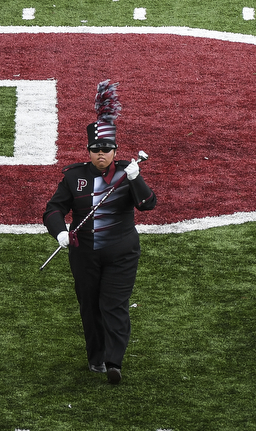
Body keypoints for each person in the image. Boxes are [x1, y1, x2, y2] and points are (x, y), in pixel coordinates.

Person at [42, 81, 155, 385]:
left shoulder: (126, 173)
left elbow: (147, 205)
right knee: (90, 306)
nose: (101, 154)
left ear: (115, 150)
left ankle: (113, 360)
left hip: (122, 252)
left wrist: (137, 180)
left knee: (113, 305)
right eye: (95, 149)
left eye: (106, 149)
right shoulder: (74, 177)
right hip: (84, 254)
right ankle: (96, 357)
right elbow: (52, 209)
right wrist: (60, 233)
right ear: (88, 151)